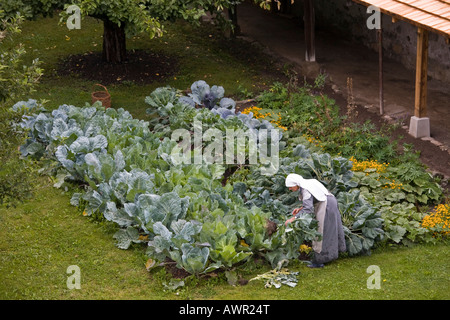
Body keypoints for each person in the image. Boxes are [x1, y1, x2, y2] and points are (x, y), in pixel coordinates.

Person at [284, 173, 346, 268]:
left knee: (322, 231)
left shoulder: (305, 189)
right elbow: (315, 198)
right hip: (331, 201)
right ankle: (334, 253)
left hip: (326, 205)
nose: (289, 189)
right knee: (331, 229)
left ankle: (320, 260)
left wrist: (293, 219)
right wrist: (300, 209)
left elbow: (308, 209)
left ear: (296, 184)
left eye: (290, 186)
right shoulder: (308, 182)